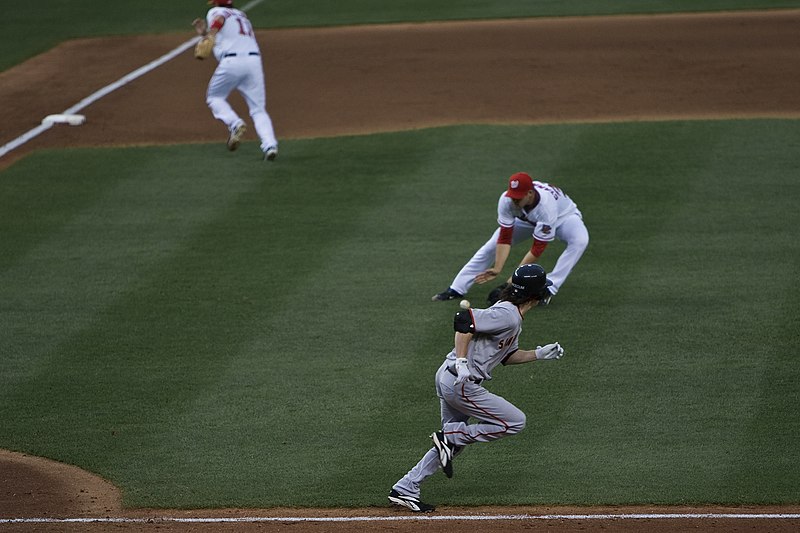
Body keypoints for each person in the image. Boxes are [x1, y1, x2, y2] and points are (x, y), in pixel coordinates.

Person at [389, 264, 565, 513]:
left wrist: (538, 354)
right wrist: (462, 362)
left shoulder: (512, 317)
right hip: (461, 382)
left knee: (451, 446)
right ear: (536, 295)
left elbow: (506, 356)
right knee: (514, 422)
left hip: (450, 378)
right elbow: (463, 320)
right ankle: (450, 436)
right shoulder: (507, 314)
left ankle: (406, 487)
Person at [432, 172, 588, 306]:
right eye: (512, 196)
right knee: (490, 246)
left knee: (580, 241)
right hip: (526, 219)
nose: (514, 200)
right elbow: (505, 236)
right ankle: (456, 289)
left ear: (530, 194)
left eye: (518, 198)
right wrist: (497, 268)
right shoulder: (507, 200)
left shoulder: (546, 207)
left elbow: (537, 248)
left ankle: (549, 288)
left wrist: (511, 282)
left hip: (563, 217)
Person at [192, 0, 278, 161]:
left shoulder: (215, 13)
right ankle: (270, 146)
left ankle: (235, 123)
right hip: (254, 62)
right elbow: (228, 35)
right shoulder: (242, 15)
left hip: (232, 63)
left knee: (214, 97)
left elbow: (220, 20)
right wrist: (205, 33)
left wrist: (208, 34)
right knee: (258, 109)